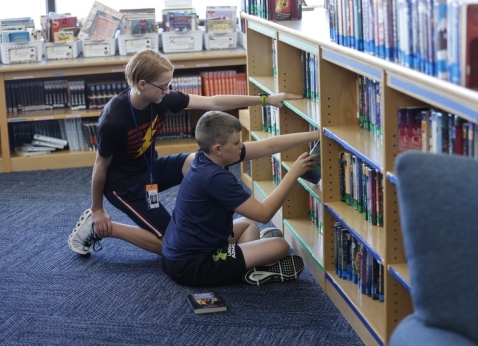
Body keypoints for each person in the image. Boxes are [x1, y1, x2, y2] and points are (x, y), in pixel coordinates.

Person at [67, 48, 309, 257]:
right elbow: (100, 165)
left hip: (149, 170)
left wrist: (267, 100)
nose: (168, 91)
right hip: (123, 186)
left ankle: (212, 221)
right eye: (163, 86)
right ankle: (99, 228)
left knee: (199, 160)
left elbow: (213, 102)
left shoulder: (161, 99)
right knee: (169, 247)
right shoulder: (113, 119)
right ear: (142, 85)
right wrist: (98, 208)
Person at [162, 111, 320, 287]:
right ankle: (248, 270)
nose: (241, 146)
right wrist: (292, 174)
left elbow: (268, 146)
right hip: (194, 266)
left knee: (248, 224)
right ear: (218, 149)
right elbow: (264, 214)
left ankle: (243, 261)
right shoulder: (215, 178)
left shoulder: (206, 157)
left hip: (179, 254)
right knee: (280, 245)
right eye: (237, 143)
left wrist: (316, 134)